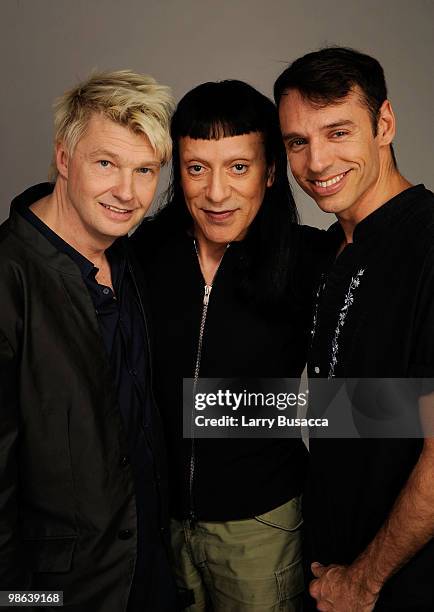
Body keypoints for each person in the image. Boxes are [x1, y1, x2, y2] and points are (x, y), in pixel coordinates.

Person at [132, 80, 331, 611]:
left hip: (262, 525)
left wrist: (225, 410)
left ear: (269, 171)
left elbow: (386, 405)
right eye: (197, 168)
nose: (216, 193)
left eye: (238, 167)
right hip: (158, 525)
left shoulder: (314, 259)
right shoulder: (141, 254)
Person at [0, 70, 178, 611]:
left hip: (148, 574)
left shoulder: (129, 259)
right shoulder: (10, 277)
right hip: (64, 592)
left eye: (144, 170)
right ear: (63, 158)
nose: (127, 192)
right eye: (106, 163)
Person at [275, 46, 434, 611]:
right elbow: (368, 408)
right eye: (297, 141)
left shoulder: (426, 246)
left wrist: (364, 582)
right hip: (328, 569)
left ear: (384, 124)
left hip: (399, 585)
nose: (316, 162)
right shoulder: (328, 250)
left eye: (338, 132)